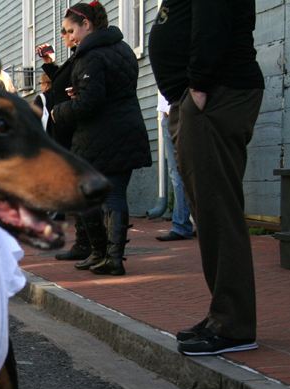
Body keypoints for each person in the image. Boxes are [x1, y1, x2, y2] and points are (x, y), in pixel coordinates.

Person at [149, 0, 264, 355]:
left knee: (217, 210)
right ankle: (222, 316)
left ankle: (233, 324)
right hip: (205, 95)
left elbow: (213, 19)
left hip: (213, 94)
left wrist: (197, 87)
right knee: (210, 211)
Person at [50, 1, 152, 276]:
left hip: (101, 135)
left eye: (72, 30)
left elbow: (91, 103)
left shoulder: (90, 55)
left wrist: (59, 111)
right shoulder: (123, 49)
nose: (70, 37)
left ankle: (104, 255)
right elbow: (114, 90)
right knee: (114, 195)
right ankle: (110, 257)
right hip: (127, 129)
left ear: (87, 25)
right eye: (66, 32)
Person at [37, 29, 84, 260]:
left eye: (68, 30)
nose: (65, 35)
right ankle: (85, 245)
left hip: (69, 136)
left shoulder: (86, 56)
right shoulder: (77, 58)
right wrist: (50, 63)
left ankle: (91, 246)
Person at [156, 92, 194, 241]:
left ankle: (183, 226)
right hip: (170, 114)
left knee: (180, 173)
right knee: (181, 173)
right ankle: (187, 224)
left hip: (179, 113)